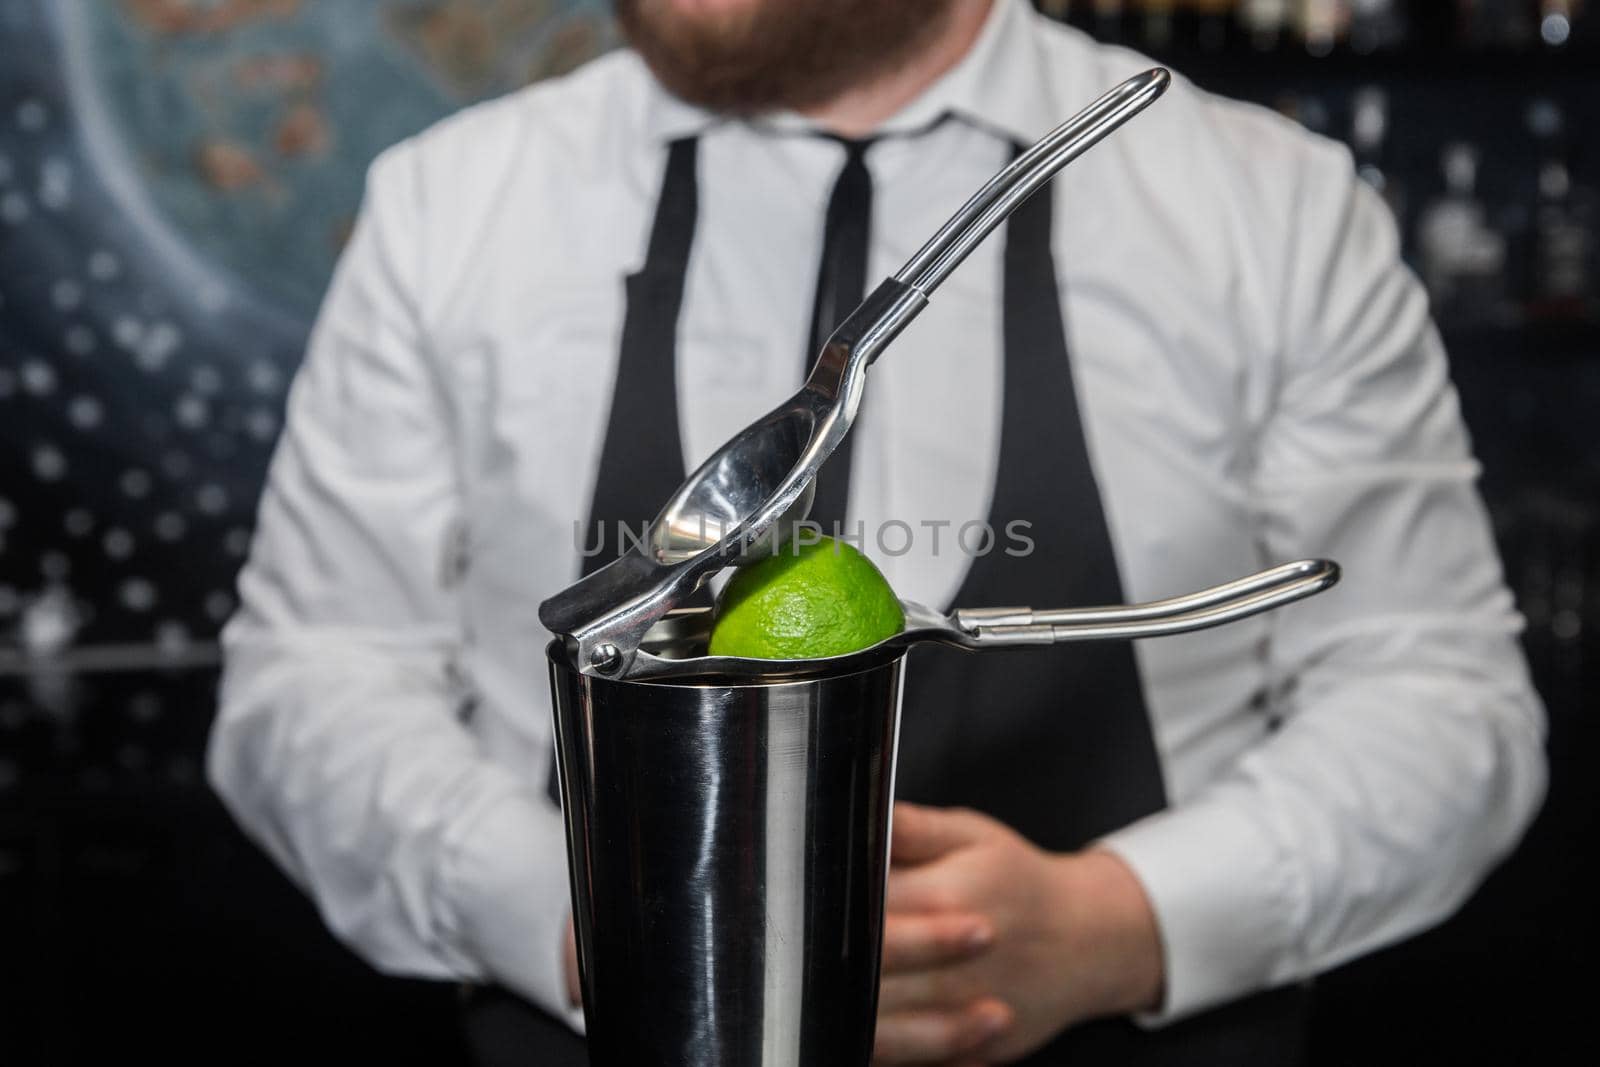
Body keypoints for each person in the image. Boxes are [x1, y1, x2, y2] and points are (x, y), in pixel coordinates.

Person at [206, 1, 1548, 1064]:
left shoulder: (1273, 209)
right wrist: (580, 926)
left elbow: (1438, 696)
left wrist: (1122, 924)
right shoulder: (450, 206)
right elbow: (309, 684)